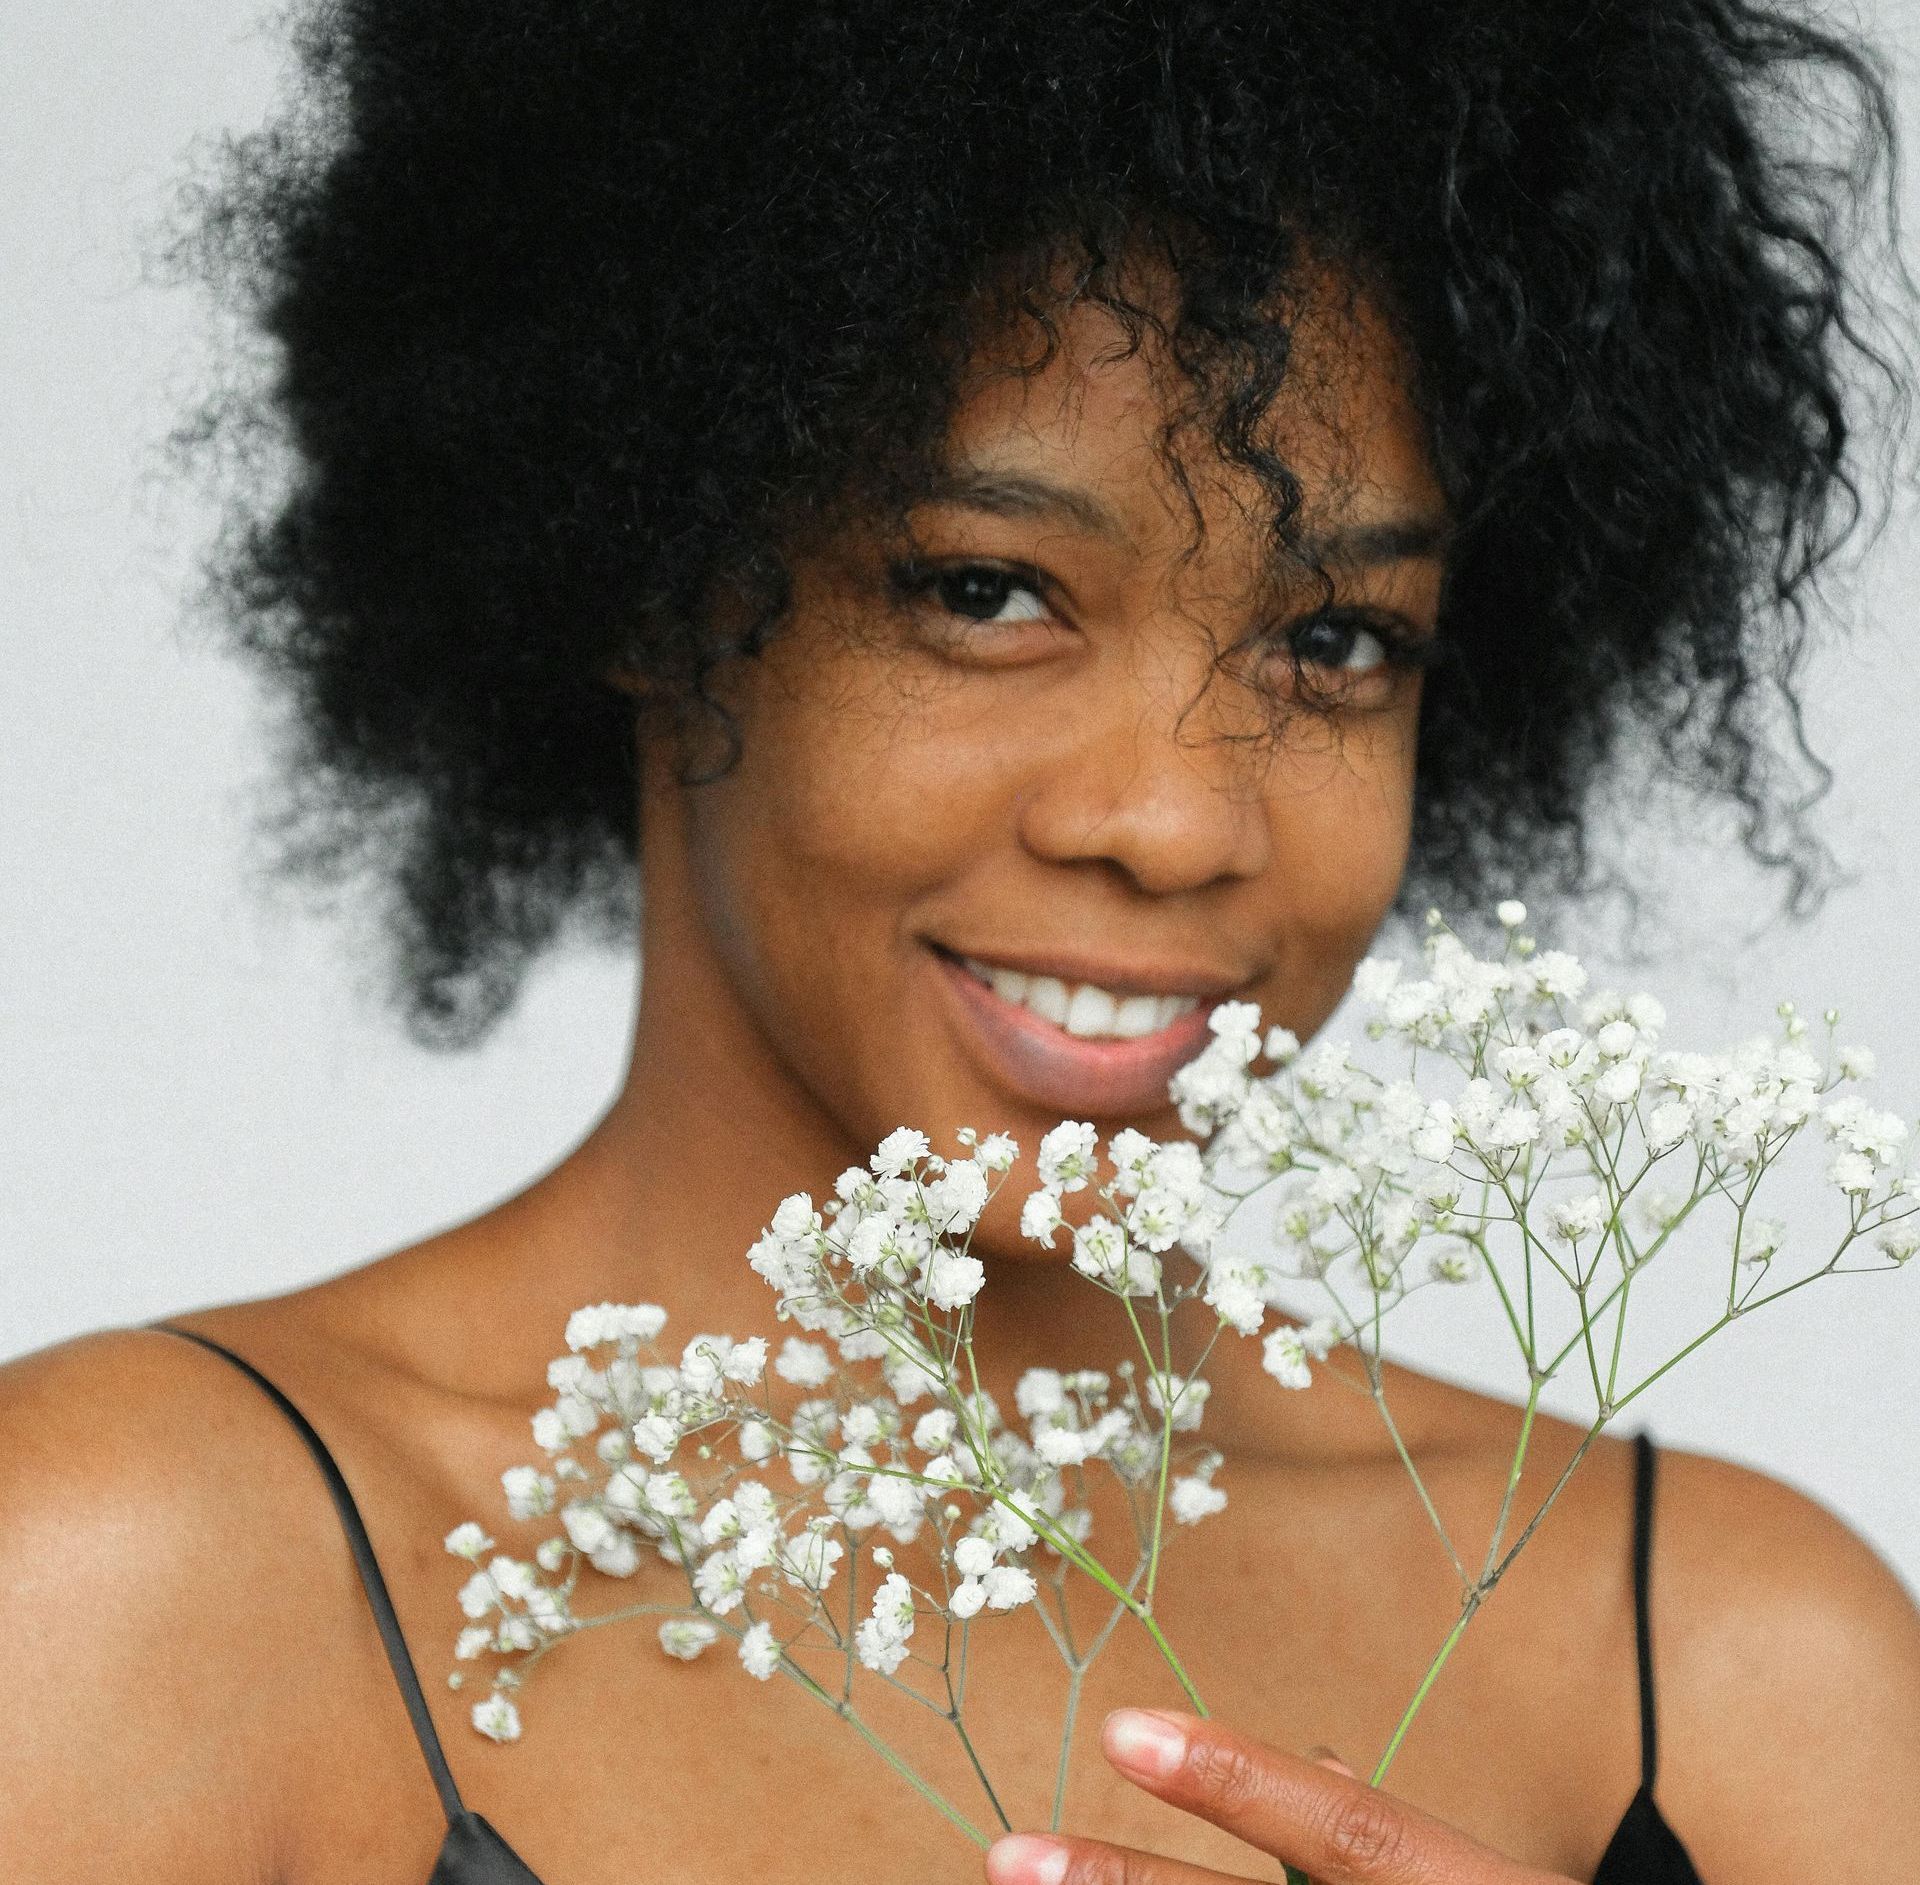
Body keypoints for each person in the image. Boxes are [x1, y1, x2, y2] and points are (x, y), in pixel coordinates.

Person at [6, 1, 1920, 1880]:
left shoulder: (1737, 1668)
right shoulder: (131, 1581)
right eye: (987, 590)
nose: (1178, 819)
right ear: (647, 572)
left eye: (1336, 640)